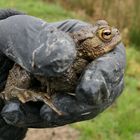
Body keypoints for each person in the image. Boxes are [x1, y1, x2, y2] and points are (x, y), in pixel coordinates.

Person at [0, 9, 126, 140]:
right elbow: (61, 76)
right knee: (24, 74)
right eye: (106, 34)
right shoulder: (77, 60)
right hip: (26, 74)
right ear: (89, 43)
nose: (115, 32)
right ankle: (15, 90)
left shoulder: (85, 56)